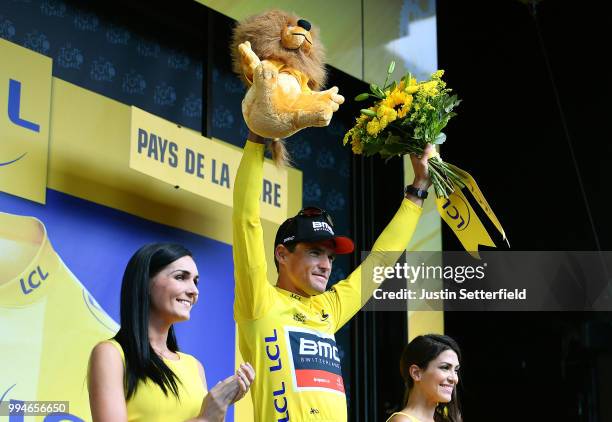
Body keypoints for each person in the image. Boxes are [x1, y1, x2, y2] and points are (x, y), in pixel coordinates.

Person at [232, 129, 433, 421]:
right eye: (314, 252)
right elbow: (246, 220)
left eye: (329, 255)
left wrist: (418, 188)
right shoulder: (259, 301)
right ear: (282, 254)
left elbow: (380, 261)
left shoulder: (329, 308)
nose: (327, 265)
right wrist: (255, 138)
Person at [88, 243, 254, 422]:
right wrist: (205, 418)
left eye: (195, 281)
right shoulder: (111, 354)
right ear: (147, 282)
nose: (194, 291)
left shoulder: (195, 366)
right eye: (181, 277)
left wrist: (221, 405)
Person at [387, 334, 462, 422]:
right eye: (445, 367)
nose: (454, 379)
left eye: (456, 370)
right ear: (416, 373)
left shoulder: (446, 418)